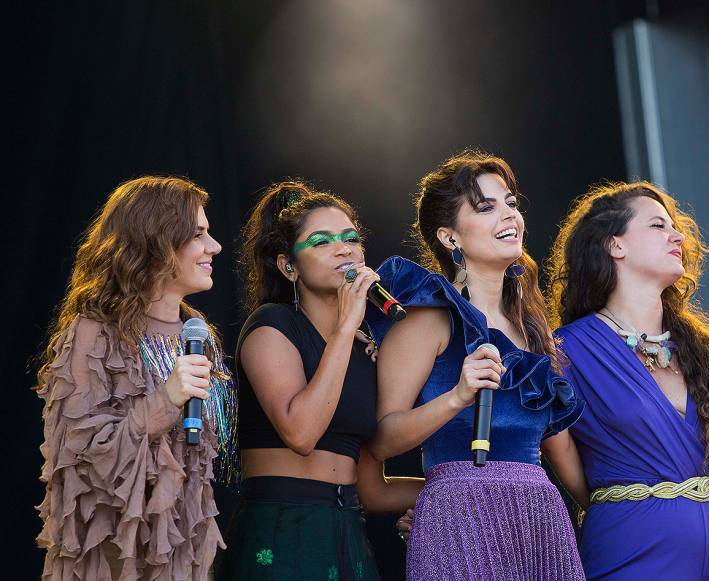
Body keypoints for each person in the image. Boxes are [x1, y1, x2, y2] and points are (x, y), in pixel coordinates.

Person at [546, 181, 709, 580]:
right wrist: (620, 501)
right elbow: (559, 458)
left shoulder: (699, 350)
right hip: (633, 551)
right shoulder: (567, 351)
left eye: (674, 227)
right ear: (615, 246)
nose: (677, 235)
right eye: (658, 226)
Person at [367, 150, 588, 581]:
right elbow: (381, 441)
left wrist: (623, 509)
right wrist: (457, 397)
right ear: (450, 238)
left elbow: (560, 451)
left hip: (540, 519)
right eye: (486, 208)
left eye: (510, 203)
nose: (509, 215)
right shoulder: (427, 319)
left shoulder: (532, 326)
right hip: (459, 517)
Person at [216, 181, 422, 581]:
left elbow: (372, 489)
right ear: (288, 267)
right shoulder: (272, 327)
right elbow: (301, 433)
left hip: (346, 530)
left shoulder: (362, 351)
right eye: (322, 242)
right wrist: (345, 329)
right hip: (282, 529)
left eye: (351, 239)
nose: (344, 249)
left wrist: (457, 488)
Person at [36, 176, 236, 580]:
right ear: (157, 240)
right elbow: (85, 460)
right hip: (115, 559)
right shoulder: (93, 332)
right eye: (198, 234)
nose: (213, 247)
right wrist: (166, 399)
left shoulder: (197, 335)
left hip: (184, 557)